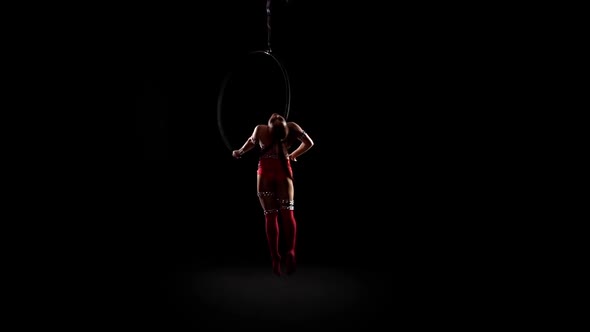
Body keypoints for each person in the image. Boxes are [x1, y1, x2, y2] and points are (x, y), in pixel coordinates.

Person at [232, 112, 314, 276]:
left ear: (270, 127)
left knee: (270, 216)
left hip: (265, 174)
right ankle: (290, 251)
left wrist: (239, 151)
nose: (276, 115)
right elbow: (309, 142)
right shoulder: (292, 128)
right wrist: (293, 155)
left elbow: (250, 142)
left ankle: (276, 258)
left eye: (275, 118)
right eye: (277, 118)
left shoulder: (260, 130)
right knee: (287, 213)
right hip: (284, 171)